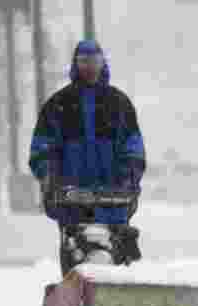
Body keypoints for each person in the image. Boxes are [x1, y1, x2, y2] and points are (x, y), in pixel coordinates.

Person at [28, 40, 146, 276]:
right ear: (76, 65)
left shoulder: (119, 104)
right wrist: (49, 176)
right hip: (72, 202)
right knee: (74, 260)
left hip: (113, 202)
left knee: (117, 261)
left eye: (94, 61)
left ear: (103, 63)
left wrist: (131, 174)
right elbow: (41, 149)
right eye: (84, 62)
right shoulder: (58, 105)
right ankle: (75, 302)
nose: (90, 67)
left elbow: (134, 146)